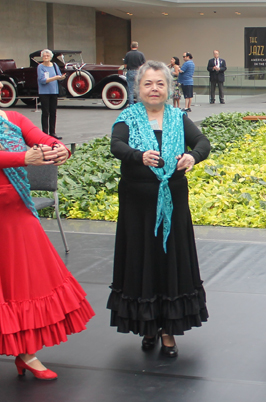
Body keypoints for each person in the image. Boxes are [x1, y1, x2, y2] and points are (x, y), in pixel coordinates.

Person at [0, 58, 94, 380]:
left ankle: (26, 353)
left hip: (15, 209)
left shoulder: (12, 117)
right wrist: (23, 157)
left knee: (25, 280)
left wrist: (59, 150)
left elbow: (41, 137)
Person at [106, 60, 210, 357]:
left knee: (170, 262)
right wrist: (138, 156)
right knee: (142, 262)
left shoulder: (178, 117)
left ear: (169, 88)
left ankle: (168, 331)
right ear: (138, 88)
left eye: (160, 84)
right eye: (148, 84)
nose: (154, 89)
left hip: (173, 202)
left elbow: (202, 142)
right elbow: (116, 146)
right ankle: (148, 326)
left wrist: (193, 157)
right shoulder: (128, 116)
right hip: (137, 205)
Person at [37, 49, 66, 139]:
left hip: (54, 91)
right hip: (44, 92)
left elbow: (59, 76)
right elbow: (42, 80)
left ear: (50, 57)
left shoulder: (55, 65)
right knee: (45, 113)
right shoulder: (40, 67)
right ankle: (45, 132)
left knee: (53, 112)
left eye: (47, 56)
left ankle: (52, 132)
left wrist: (62, 77)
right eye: (44, 56)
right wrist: (54, 78)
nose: (46, 57)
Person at [124, 41, 146, 106]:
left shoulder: (128, 54)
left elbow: (125, 65)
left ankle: (131, 104)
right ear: (137, 46)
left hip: (130, 71)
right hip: (138, 72)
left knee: (130, 89)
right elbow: (144, 64)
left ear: (131, 46)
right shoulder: (141, 54)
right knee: (139, 88)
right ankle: (139, 104)